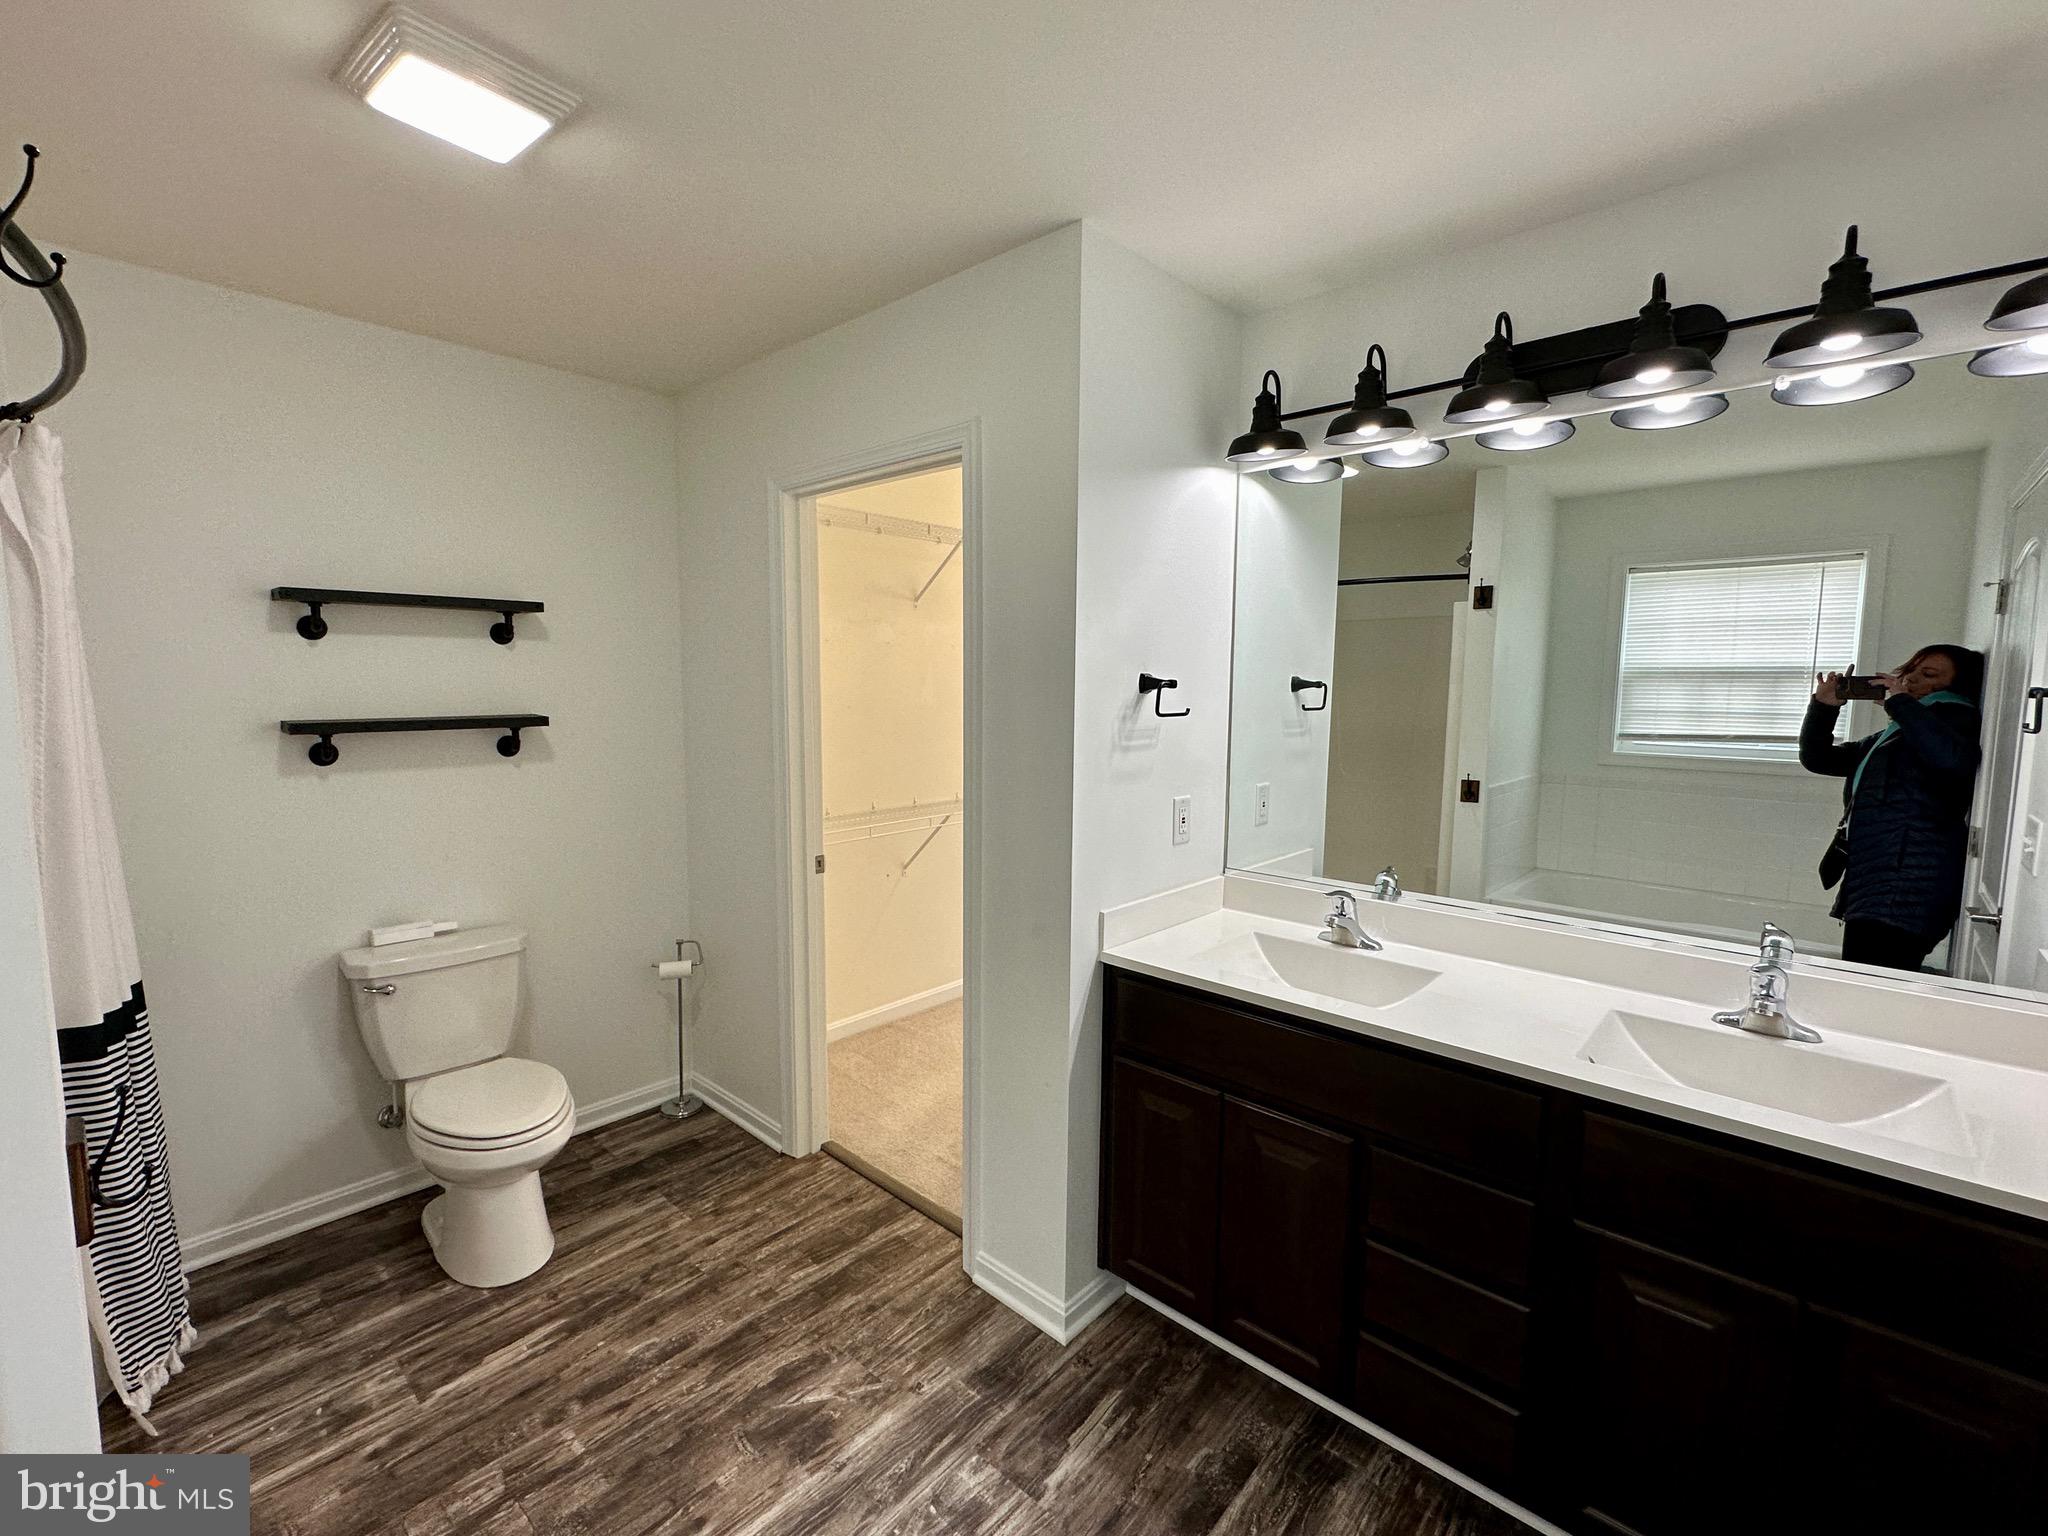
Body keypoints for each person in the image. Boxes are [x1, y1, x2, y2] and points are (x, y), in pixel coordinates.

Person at [1801, 645, 1985, 972]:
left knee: (1871, 985)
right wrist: (1823, 707)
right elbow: (1819, 758)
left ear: (1956, 687)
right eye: (1910, 670)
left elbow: (1950, 758)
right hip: (1878, 880)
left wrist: (1900, 704)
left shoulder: (1957, 719)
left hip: (1908, 886)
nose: (1911, 678)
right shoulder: (1893, 738)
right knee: (1868, 979)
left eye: (1928, 674)